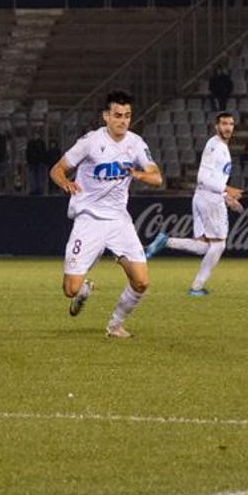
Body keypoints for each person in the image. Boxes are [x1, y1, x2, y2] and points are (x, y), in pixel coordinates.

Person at [48, 90, 163, 338]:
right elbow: (57, 169)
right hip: (89, 219)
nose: (123, 121)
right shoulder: (90, 142)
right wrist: (65, 183)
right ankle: (83, 291)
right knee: (70, 289)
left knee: (142, 282)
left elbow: (157, 177)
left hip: (119, 221)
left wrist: (138, 174)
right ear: (106, 117)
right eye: (118, 115)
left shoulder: (136, 143)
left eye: (127, 116)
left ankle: (115, 325)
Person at [143, 112, 241, 296]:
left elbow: (213, 177)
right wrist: (227, 188)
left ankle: (166, 241)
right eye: (224, 124)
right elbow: (202, 177)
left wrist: (227, 195)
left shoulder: (221, 147)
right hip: (209, 199)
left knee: (204, 246)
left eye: (231, 124)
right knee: (219, 245)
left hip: (204, 197)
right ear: (216, 126)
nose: (228, 127)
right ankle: (196, 287)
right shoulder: (215, 146)